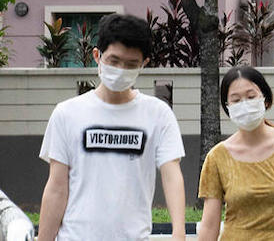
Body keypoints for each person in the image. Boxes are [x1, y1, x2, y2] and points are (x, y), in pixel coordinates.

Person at [38, 13, 186, 241]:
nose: (121, 69)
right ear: (97, 56)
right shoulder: (67, 114)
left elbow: (171, 174)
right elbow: (57, 187)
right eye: (114, 61)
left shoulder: (158, 114)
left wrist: (179, 232)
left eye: (131, 64)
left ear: (144, 64)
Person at [198, 66, 274, 241]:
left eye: (251, 96)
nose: (245, 105)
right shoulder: (217, 157)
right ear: (227, 108)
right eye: (236, 100)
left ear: (265, 99)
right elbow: (209, 225)